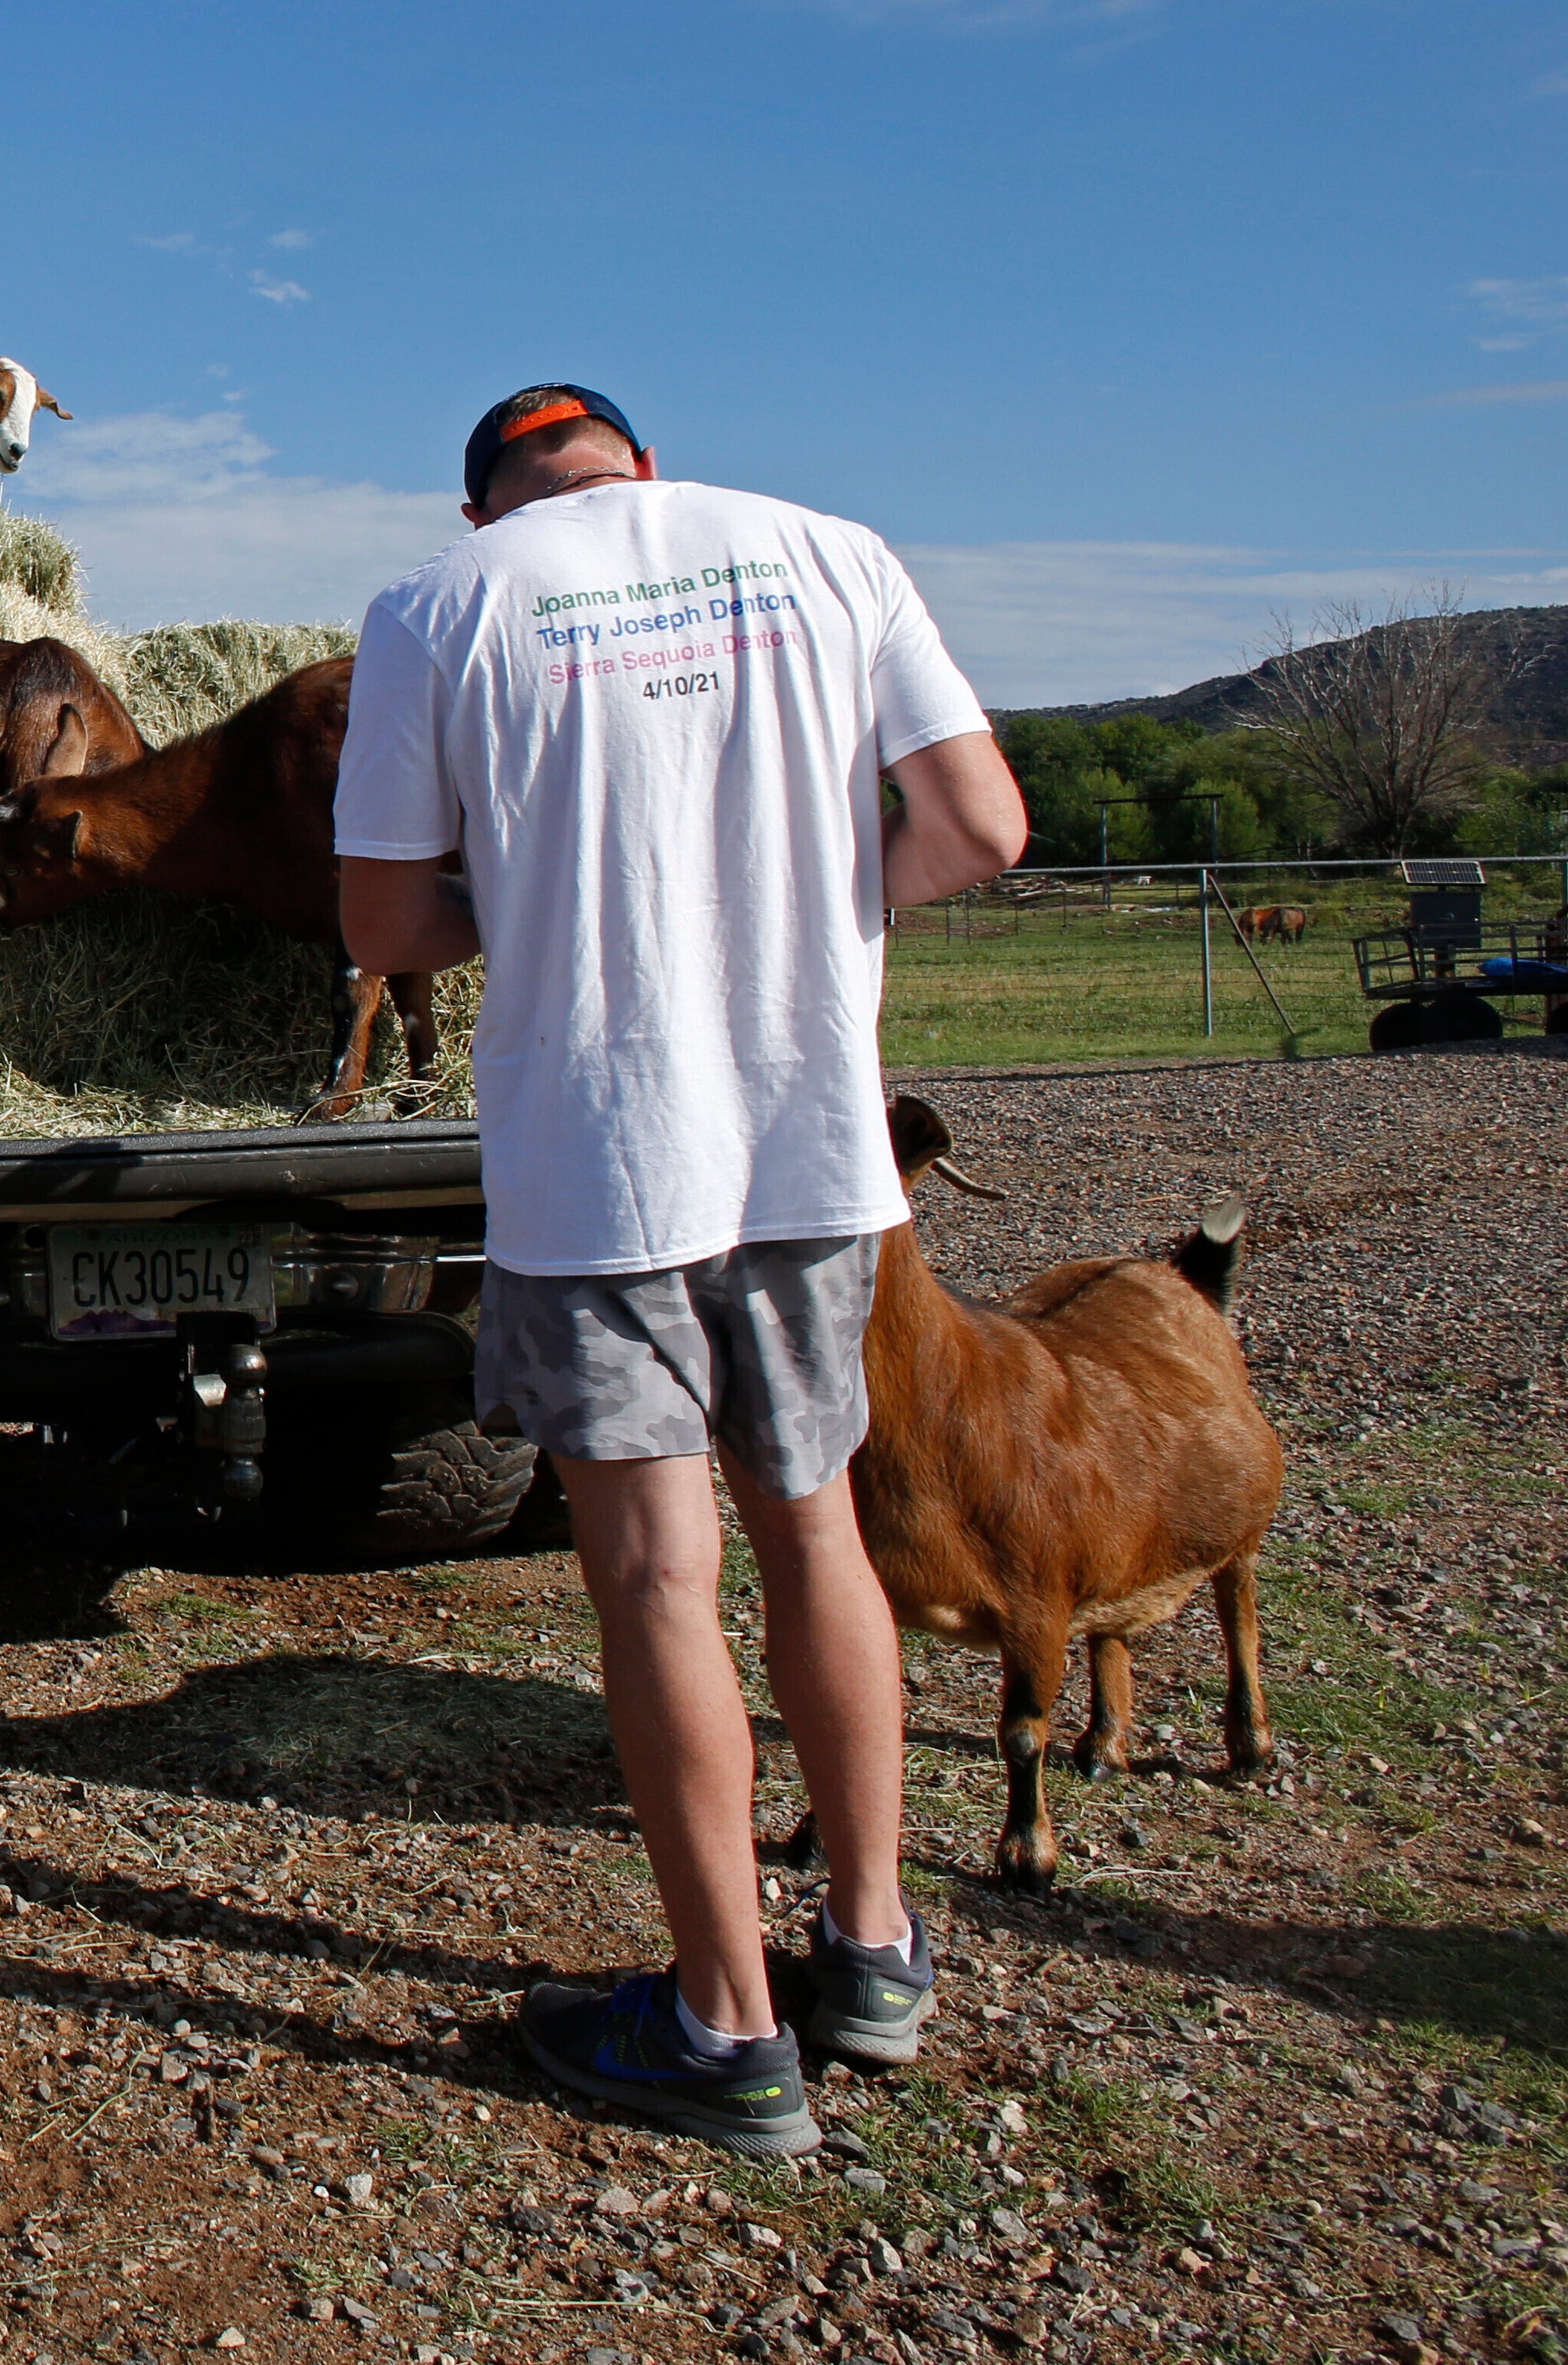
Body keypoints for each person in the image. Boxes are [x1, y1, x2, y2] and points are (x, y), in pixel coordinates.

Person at [330, 383, 1030, 2156]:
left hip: (597, 1159)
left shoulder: (436, 605)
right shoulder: (827, 552)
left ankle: (720, 2021)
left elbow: (381, 924)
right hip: (807, 1149)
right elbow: (972, 826)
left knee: (652, 1572)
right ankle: (867, 1950)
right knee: (813, 1530)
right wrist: (795, 915)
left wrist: (565, 891)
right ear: (633, 465)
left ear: (490, 503)